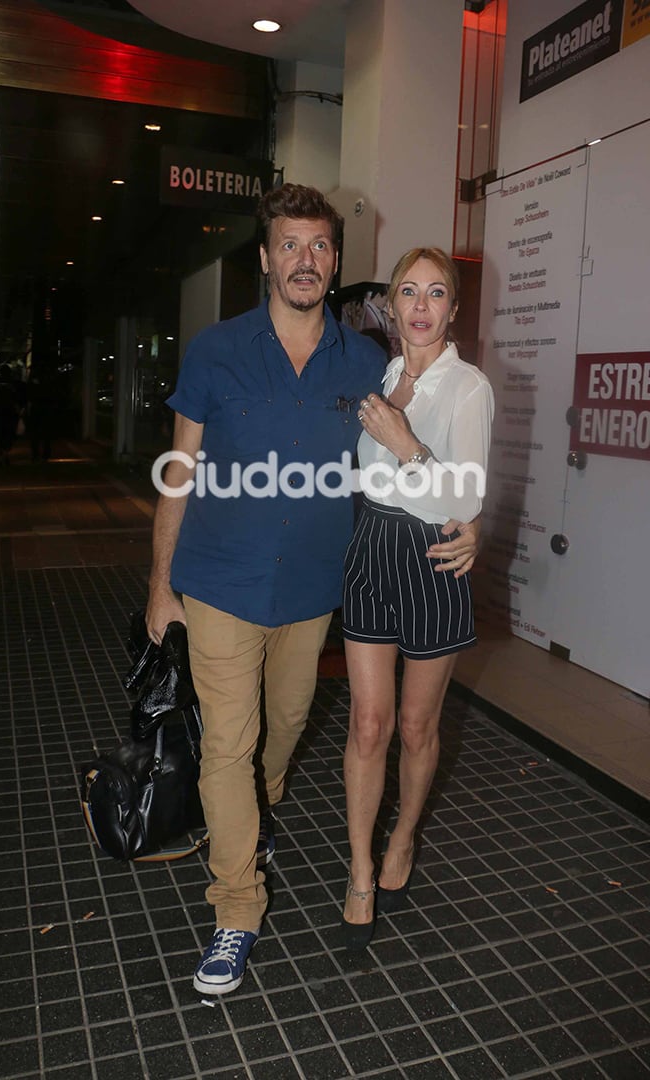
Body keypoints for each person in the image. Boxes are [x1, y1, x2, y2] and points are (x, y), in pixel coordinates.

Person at [145, 189, 479, 996]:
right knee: (229, 744)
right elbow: (179, 470)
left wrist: (470, 524)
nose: (305, 259)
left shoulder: (369, 363)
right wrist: (158, 585)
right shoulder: (216, 350)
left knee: (282, 733)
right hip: (220, 578)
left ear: (334, 262)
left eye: (320, 246)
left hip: (312, 592)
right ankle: (235, 910)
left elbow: (430, 458)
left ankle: (249, 827)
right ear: (265, 258)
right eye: (289, 244)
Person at [340, 246, 494, 950]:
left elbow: (463, 498)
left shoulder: (469, 388)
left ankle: (404, 835)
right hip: (372, 549)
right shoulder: (382, 374)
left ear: (454, 309)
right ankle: (362, 868)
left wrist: (407, 445)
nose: (422, 306)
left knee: (415, 726)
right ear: (391, 305)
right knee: (368, 725)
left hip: (434, 558)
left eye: (437, 293)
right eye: (409, 291)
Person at [0, 363, 23, 466]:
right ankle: (6, 454)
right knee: (9, 434)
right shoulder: (14, 383)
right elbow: (18, 397)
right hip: (10, 412)